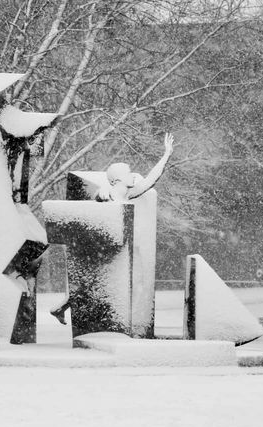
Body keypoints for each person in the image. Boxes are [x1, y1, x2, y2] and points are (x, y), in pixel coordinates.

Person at [50, 133, 175, 324]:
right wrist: (102, 197)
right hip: (104, 250)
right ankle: (63, 307)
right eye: (129, 173)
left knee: (90, 285)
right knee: (90, 284)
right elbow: (96, 217)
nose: (133, 175)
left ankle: (62, 307)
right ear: (117, 179)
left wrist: (166, 154)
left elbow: (150, 180)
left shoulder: (128, 195)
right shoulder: (106, 195)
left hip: (119, 251)